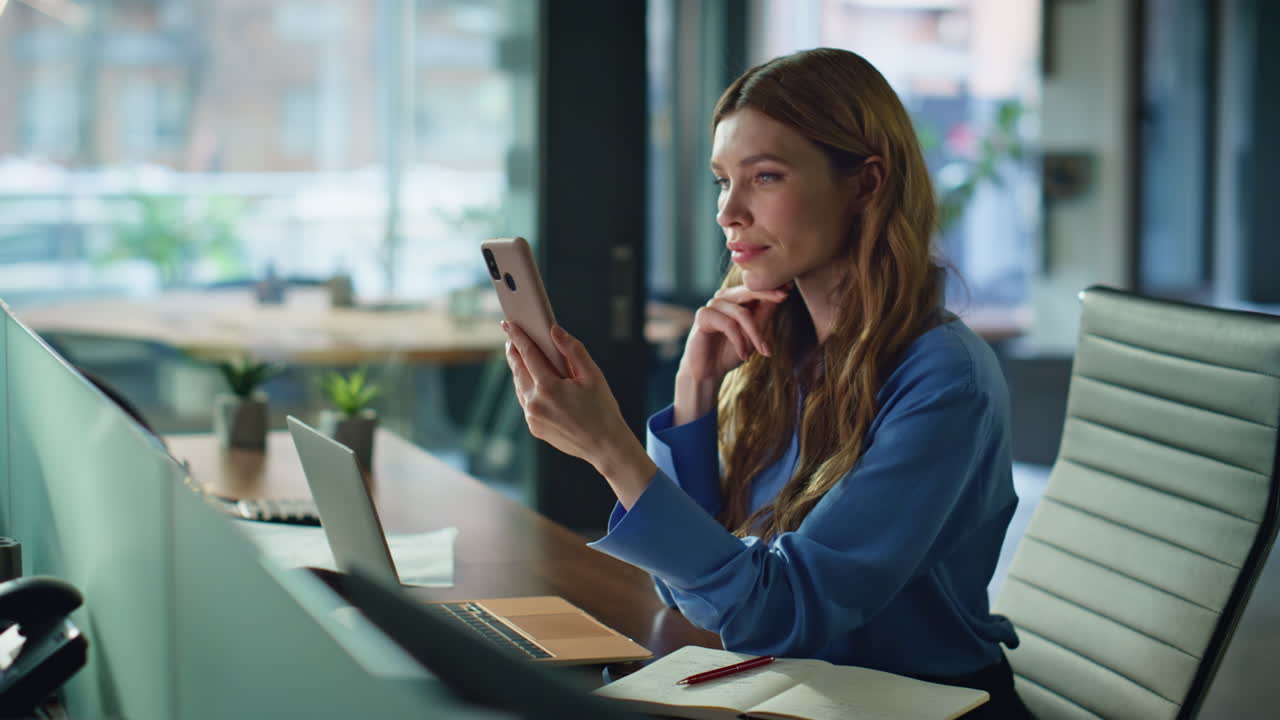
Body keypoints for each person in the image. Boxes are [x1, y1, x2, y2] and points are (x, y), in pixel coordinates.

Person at [500, 47, 1031, 718]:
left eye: (766, 177)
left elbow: (779, 612)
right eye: (723, 180)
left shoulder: (944, 377)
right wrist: (693, 392)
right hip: (805, 696)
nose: (729, 211)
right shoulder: (780, 353)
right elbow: (694, 592)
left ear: (866, 184)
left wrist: (613, 450)